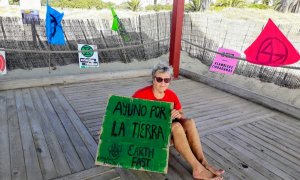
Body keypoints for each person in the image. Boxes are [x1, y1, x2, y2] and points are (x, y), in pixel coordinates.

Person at [132, 63, 224, 180]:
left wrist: (177, 113)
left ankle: (204, 163)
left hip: (167, 129)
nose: (163, 83)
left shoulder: (171, 95)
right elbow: (127, 115)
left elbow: (181, 113)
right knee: (176, 126)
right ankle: (197, 169)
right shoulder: (140, 94)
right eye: (159, 79)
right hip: (150, 133)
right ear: (153, 79)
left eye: (166, 80)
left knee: (190, 122)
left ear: (170, 81)